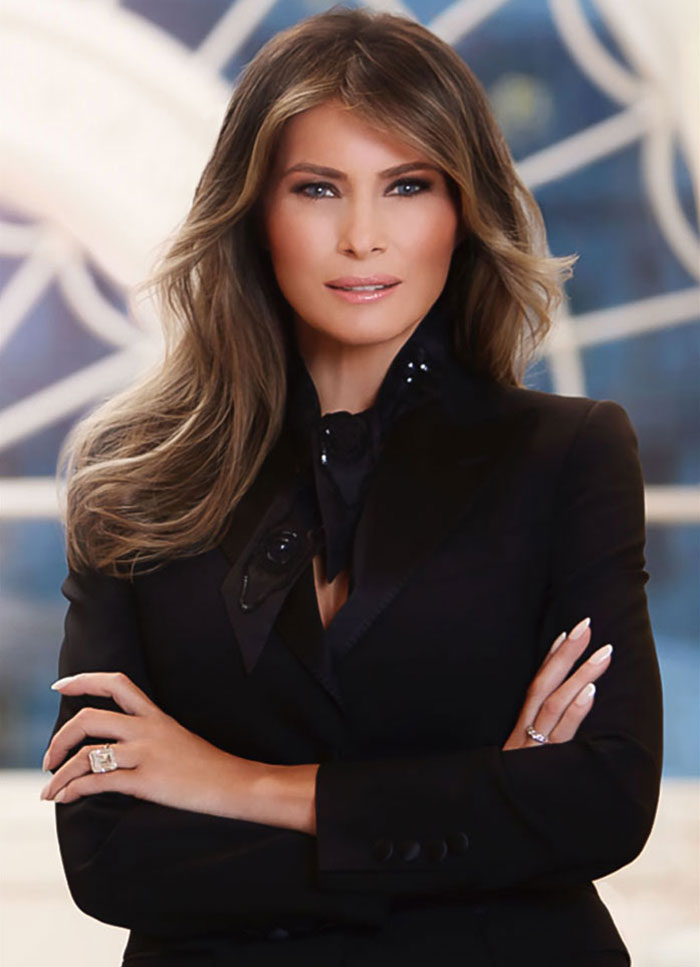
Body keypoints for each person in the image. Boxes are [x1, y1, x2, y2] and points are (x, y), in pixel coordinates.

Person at [42, 7, 663, 966]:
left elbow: (601, 804)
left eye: (407, 185)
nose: (365, 237)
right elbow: (112, 857)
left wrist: (229, 784)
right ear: (255, 209)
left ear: (463, 209)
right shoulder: (133, 479)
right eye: (319, 188)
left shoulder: (569, 456)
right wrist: (474, 812)